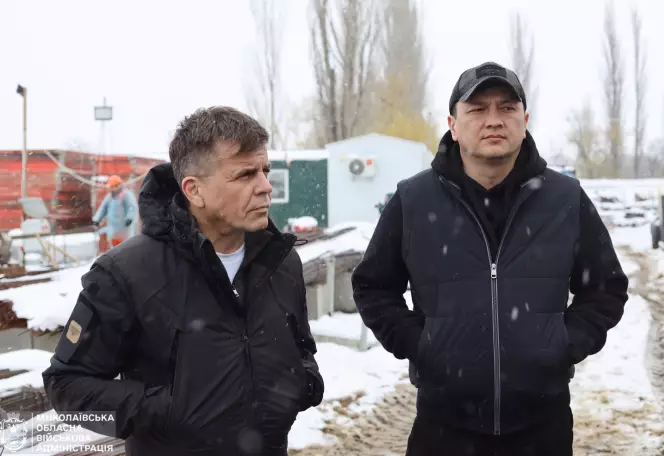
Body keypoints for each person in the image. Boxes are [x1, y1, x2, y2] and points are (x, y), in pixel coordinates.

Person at [351, 62, 629, 456]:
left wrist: (564, 343)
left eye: (507, 108)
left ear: (525, 121)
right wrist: (422, 344)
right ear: (453, 124)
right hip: (442, 429)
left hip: (542, 429)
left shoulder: (565, 199)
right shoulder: (414, 201)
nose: (494, 120)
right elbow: (373, 286)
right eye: (478, 109)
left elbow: (606, 288)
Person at [42, 107, 324, 456]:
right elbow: (66, 387)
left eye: (265, 170)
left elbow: (300, 348)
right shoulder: (125, 274)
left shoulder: (282, 262)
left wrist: (304, 383)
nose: (266, 187)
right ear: (194, 190)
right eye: (245, 175)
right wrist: (168, 409)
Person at [92, 175, 138, 247]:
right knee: (114, 249)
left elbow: (132, 207)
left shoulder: (127, 195)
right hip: (113, 230)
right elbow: (103, 208)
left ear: (118, 185)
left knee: (125, 248)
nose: (112, 189)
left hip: (124, 229)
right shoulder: (109, 196)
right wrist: (97, 219)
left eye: (114, 186)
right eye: (111, 187)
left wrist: (130, 218)